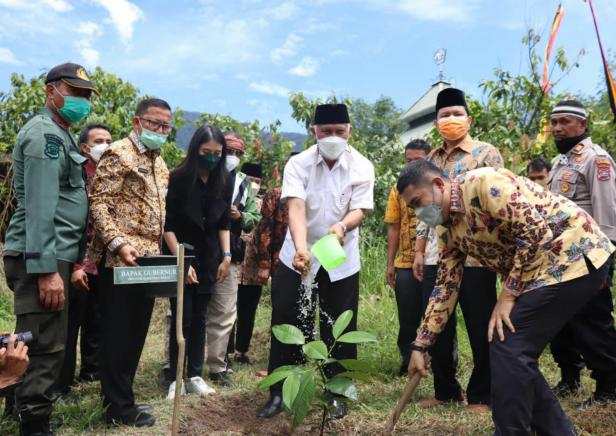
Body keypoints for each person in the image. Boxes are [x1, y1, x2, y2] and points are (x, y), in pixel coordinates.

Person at [400, 160, 614, 435]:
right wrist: (420, 345)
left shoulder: (483, 183)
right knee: (509, 348)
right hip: (540, 271)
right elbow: (445, 286)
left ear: (439, 184)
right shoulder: (446, 228)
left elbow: (534, 233)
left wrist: (508, 295)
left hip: (574, 253)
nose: (420, 213)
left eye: (419, 201)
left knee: (509, 345)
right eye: (413, 208)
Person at [257, 103, 375, 419]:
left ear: (349, 131)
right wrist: (299, 248)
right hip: (297, 253)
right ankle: (280, 393)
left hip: (339, 256)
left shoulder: (361, 166)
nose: (333, 137)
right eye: (326, 132)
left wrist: (342, 226)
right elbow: (295, 206)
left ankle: (337, 393)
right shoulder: (299, 163)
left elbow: (361, 209)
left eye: (339, 131)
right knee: (287, 321)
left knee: (338, 325)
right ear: (314, 133)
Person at [2, 62, 97, 436]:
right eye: (75, 93)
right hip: (42, 254)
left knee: (33, 336)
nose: (82, 102)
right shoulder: (46, 136)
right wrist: (45, 270)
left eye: (87, 96)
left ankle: (19, 406)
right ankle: (34, 424)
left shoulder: (60, 133)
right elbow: (41, 206)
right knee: (44, 345)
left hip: (54, 253)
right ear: (51, 91)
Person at [412, 88, 503, 412]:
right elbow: (423, 209)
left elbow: (499, 201)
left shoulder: (486, 153)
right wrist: (420, 250)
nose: (451, 120)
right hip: (440, 252)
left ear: (469, 119)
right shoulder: (430, 160)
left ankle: (482, 394)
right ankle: (445, 390)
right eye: (444, 115)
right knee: (438, 319)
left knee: (480, 324)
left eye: (456, 114)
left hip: (478, 254)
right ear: (435, 122)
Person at [89, 97, 171, 427]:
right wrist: (119, 245)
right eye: (154, 123)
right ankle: (117, 408)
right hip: (121, 262)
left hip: (148, 261)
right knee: (119, 332)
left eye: (165, 126)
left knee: (136, 333)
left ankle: (124, 398)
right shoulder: (119, 153)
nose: (160, 130)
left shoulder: (160, 164)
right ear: (138, 122)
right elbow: (99, 205)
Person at [547, 99, 616, 408]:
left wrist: (604, 266)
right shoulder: (558, 163)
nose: (558, 128)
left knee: (593, 322)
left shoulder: (596, 160)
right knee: (560, 322)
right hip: (558, 259)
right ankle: (569, 378)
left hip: (588, 258)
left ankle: (608, 388)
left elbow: (608, 216)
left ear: (583, 125)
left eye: (565, 122)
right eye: (555, 122)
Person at [162, 124, 232, 399]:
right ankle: (175, 378)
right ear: (195, 150)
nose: (212, 158)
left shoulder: (224, 180)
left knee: (201, 317)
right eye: (206, 152)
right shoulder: (178, 178)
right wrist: (181, 261)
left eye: (217, 153)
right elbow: (167, 226)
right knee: (182, 315)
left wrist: (226, 257)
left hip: (210, 257)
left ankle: (195, 374)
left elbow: (224, 222)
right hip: (182, 253)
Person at [54, 123, 112, 400]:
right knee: (71, 322)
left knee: (97, 318)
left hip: (103, 260)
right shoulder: (76, 175)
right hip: (77, 259)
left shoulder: (111, 175)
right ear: (85, 148)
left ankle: (92, 370)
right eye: (99, 140)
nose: (106, 145)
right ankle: (61, 383)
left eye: (109, 140)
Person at [206, 134, 260, 387]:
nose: (233, 157)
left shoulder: (243, 181)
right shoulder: (201, 173)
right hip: (201, 249)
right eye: (230, 151)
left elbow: (253, 217)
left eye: (239, 153)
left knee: (225, 310)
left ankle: (218, 365)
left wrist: (240, 216)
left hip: (230, 253)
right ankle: (176, 365)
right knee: (187, 311)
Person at [384, 139, 431, 376]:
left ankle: (443, 362)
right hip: (405, 264)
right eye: (408, 160)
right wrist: (390, 263)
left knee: (437, 313)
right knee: (408, 317)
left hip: (434, 262)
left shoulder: (436, 186)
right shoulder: (397, 189)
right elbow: (393, 226)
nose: (411, 165)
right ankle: (407, 361)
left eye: (418, 160)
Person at [227, 163, 264, 365]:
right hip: (234, 264)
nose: (254, 184)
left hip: (253, 268)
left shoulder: (263, 204)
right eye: (251, 180)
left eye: (258, 181)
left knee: (248, 310)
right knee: (228, 309)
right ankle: (227, 350)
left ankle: (242, 351)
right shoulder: (234, 197)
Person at [254, 152, 299, 286]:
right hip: (281, 262)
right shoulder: (275, 195)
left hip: (309, 262)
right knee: (282, 304)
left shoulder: (314, 196)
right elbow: (264, 231)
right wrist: (264, 264)